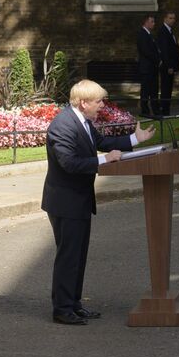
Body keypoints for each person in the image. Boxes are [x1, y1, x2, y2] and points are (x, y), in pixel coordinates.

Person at [42, 80, 155, 325]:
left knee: (79, 255)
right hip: (65, 201)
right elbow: (69, 163)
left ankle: (74, 304)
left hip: (78, 200)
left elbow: (103, 142)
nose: (101, 106)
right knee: (68, 255)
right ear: (83, 103)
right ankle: (62, 309)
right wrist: (104, 161)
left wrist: (136, 139)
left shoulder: (82, 122)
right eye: (98, 101)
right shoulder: (62, 126)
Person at [156, 11, 179, 115]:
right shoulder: (163, 31)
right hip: (167, 66)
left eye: (174, 18)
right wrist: (169, 65)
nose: (172, 20)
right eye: (170, 18)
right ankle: (164, 111)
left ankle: (166, 110)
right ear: (165, 19)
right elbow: (164, 50)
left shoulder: (170, 31)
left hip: (171, 65)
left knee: (169, 89)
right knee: (166, 89)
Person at [136, 13, 161, 117]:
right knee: (146, 91)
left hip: (152, 68)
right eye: (152, 21)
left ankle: (155, 111)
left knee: (154, 91)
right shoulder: (142, 34)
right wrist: (157, 59)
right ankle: (145, 112)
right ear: (146, 22)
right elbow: (146, 51)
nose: (154, 24)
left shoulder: (149, 34)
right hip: (147, 68)